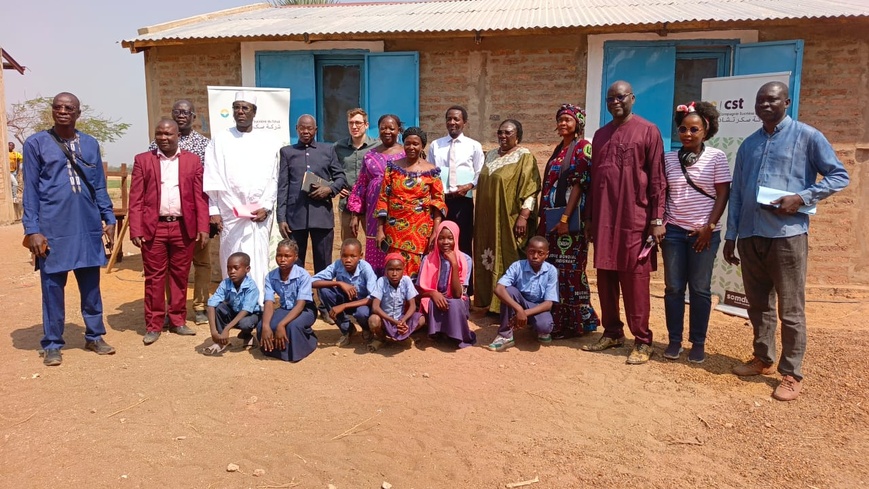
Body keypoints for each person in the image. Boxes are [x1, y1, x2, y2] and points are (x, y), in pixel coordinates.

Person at [725, 81, 849, 401]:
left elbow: (839, 175)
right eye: (760, 100)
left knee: (791, 310)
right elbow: (737, 193)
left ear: (787, 102)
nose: (765, 105)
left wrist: (803, 197)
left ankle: (791, 373)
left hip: (787, 236)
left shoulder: (807, 136)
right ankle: (763, 358)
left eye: (772, 99)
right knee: (758, 305)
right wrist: (731, 235)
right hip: (752, 235)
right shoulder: (749, 144)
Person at [22, 92, 117, 366]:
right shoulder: (35, 144)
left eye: (69, 108)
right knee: (52, 287)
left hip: (86, 225)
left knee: (91, 286)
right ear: (52, 111)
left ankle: (95, 336)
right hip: (52, 227)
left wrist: (108, 216)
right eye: (58, 107)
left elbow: (98, 184)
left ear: (78, 112)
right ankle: (52, 343)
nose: (63, 111)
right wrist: (32, 230)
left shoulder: (89, 144)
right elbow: (31, 191)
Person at [581, 81, 666, 365]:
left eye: (620, 96)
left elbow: (657, 179)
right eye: (610, 98)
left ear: (632, 97)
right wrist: (590, 218)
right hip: (605, 219)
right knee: (605, 279)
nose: (615, 101)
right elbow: (594, 182)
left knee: (635, 282)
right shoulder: (600, 135)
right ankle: (612, 332)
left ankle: (642, 340)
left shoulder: (648, 130)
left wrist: (656, 220)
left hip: (635, 219)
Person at [661, 101, 731, 363]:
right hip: (674, 233)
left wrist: (709, 227)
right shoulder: (668, 158)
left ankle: (698, 342)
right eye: (683, 129)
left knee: (700, 289)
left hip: (705, 233)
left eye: (694, 129)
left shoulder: (717, 157)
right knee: (673, 288)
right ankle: (674, 340)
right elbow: (662, 193)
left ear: (705, 130)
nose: (687, 134)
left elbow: (723, 193)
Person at [131, 119, 210, 345]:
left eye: (168, 134)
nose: (164, 138)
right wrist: (136, 228)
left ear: (177, 136)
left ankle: (177, 320)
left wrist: (203, 227)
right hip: (153, 229)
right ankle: (154, 324)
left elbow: (200, 198)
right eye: (159, 134)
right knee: (154, 277)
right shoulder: (143, 161)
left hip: (182, 228)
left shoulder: (192, 161)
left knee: (180, 276)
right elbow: (135, 198)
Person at [203, 91, 280, 306]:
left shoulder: (267, 142)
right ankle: (234, 303)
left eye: (245, 108)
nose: (240, 111)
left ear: (254, 112)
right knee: (231, 256)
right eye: (236, 107)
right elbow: (212, 177)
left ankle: (258, 303)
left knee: (258, 258)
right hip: (230, 213)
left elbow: (273, 178)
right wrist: (214, 210)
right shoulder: (220, 140)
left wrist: (265, 207)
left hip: (258, 215)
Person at [537, 104, 600, 338]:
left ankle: (575, 324)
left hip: (570, 224)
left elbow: (579, 185)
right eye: (560, 119)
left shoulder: (583, 148)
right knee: (555, 271)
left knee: (571, 271)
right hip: (552, 222)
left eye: (568, 119)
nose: (563, 123)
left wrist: (565, 219)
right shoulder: (559, 150)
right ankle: (557, 320)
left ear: (578, 124)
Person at [277, 114, 346, 324]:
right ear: (297, 129)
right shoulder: (288, 152)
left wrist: (329, 189)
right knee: (295, 265)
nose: (306, 132)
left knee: (323, 265)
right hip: (295, 216)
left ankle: (324, 306)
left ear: (316, 129)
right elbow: (282, 186)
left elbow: (341, 177)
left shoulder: (328, 150)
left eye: (310, 129)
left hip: (321, 217)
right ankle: (300, 306)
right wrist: (281, 217)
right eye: (302, 128)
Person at [148, 99, 213, 325]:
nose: (181, 115)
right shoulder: (155, 145)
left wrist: (209, 216)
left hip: (198, 214)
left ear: (193, 116)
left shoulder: (205, 145)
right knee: (169, 266)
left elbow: (210, 182)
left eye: (186, 112)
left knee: (201, 261)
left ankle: (200, 306)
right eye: (177, 111)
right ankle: (173, 308)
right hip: (169, 219)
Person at [473, 119, 540, 314]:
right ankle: (489, 303)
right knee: (487, 257)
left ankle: (512, 305)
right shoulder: (491, 155)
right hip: (487, 219)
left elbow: (531, 188)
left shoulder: (524, 157)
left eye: (508, 133)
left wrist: (524, 216)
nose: (503, 136)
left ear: (517, 136)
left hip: (510, 218)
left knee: (510, 256)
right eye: (500, 132)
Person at [375, 127, 446, 279]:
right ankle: (395, 301)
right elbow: (383, 199)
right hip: (394, 230)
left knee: (417, 270)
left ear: (422, 146)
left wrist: (435, 231)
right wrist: (380, 229)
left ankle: (414, 302)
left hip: (420, 231)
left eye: (415, 144)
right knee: (394, 267)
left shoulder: (432, 171)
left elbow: (438, 203)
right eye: (408, 143)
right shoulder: (392, 168)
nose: (411, 147)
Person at [347, 114, 405, 275]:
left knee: (397, 244)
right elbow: (361, 185)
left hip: (399, 210)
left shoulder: (406, 153)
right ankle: (376, 288)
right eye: (383, 128)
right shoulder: (370, 155)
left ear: (398, 130)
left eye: (391, 128)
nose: (387, 131)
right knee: (376, 243)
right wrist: (355, 214)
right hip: (374, 210)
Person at [427, 105, 484, 257]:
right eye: (449, 119)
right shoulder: (435, 145)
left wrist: (470, 185)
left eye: (456, 119)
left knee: (463, 243)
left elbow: (480, 172)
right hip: (441, 201)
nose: (452, 122)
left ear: (464, 122)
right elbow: (430, 171)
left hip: (463, 201)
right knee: (439, 241)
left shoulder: (474, 146)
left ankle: (464, 280)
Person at [487, 236, 558, 351]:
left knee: (545, 326)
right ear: (526, 251)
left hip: (538, 306)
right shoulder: (517, 266)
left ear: (547, 255)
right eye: (531, 252)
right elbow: (499, 289)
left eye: (540, 253)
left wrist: (524, 313)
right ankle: (505, 335)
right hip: (519, 302)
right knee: (508, 291)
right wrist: (519, 309)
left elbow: (548, 303)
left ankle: (537, 328)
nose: (535, 256)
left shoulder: (551, 271)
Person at [417, 221, 476, 348]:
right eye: (441, 238)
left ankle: (455, 334)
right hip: (434, 298)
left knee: (455, 303)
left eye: (450, 238)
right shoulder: (427, 259)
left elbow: (458, 294)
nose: (445, 242)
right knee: (431, 301)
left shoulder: (465, 260)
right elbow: (419, 292)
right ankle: (437, 331)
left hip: (456, 298)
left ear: (456, 238)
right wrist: (433, 293)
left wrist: (454, 264)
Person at [258, 239, 319, 363]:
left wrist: (281, 324)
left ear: (295, 257)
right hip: (285, 308)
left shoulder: (303, 275)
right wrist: (265, 326)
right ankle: (272, 350)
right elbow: (269, 302)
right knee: (262, 325)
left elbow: (300, 305)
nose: (282, 259)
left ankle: (308, 343)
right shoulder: (271, 276)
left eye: (287, 256)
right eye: (279, 255)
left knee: (292, 326)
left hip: (305, 309)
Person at [312, 238, 377, 347]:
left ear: (360, 256)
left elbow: (372, 298)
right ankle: (347, 329)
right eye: (344, 256)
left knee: (362, 313)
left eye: (353, 256)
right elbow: (312, 281)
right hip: (344, 298)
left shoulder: (366, 268)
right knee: (324, 290)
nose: (348, 260)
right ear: (340, 255)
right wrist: (339, 283)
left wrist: (344, 305)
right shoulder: (338, 265)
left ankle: (366, 329)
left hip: (362, 303)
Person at [334, 108, 380, 241]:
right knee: (348, 244)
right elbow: (330, 170)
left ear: (366, 125)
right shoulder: (338, 147)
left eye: (358, 123)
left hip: (371, 203)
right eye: (351, 123)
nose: (354, 126)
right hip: (347, 203)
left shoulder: (377, 147)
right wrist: (336, 186)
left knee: (373, 242)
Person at [204, 252, 261, 355]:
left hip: (249, 315)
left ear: (247, 269)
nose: (232, 272)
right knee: (219, 308)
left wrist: (227, 329)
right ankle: (221, 341)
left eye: (236, 268)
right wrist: (214, 331)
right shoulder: (225, 283)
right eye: (229, 268)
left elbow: (245, 310)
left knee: (246, 324)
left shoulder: (251, 287)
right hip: (234, 312)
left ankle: (246, 335)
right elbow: (211, 305)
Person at [368, 253, 423, 352]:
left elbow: (413, 306)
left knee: (421, 319)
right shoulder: (381, 281)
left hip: (401, 319)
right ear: (385, 270)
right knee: (373, 320)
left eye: (398, 270)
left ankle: (405, 335)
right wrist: (393, 321)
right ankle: (381, 338)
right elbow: (375, 307)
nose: (394, 273)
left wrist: (403, 321)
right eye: (390, 269)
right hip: (386, 319)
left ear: (403, 270)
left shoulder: (406, 281)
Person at [9, 141, 22, 220]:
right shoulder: (5, 153)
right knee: (15, 184)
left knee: (12, 185)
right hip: (8, 171)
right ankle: (14, 197)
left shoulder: (15, 154)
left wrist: (17, 171)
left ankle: (13, 196)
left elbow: (18, 161)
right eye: (9, 145)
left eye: (12, 145)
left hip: (13, 171)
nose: (10, 146)